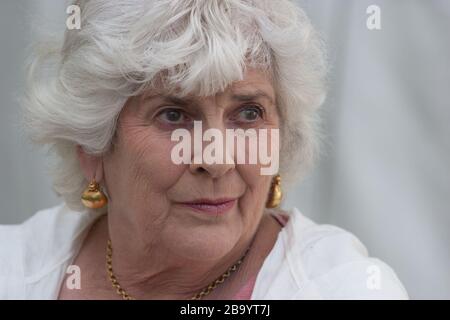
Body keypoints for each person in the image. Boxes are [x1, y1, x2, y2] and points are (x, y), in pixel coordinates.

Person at [0, 0, 408, 299]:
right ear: (91, 144)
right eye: (174, 115)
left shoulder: (343, 289)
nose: (215, 160)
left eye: (248, 113)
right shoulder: (14, 271)